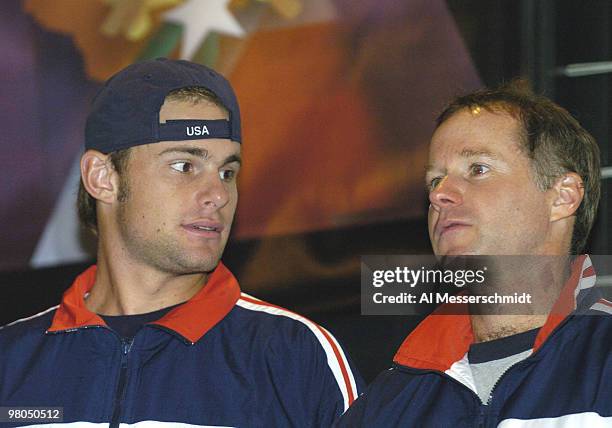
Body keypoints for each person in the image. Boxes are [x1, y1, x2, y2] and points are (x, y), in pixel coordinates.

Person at [0, 58, 361, 427]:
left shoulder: (293, 356)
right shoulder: (11, 361)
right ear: (102, 178)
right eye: (184, 166)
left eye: (227, 172)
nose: (218, 194)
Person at [338, 83, 611, 426]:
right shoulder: (388, 406)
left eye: (477, 169)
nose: (440, 196)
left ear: (562, 197)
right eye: (435, 181)